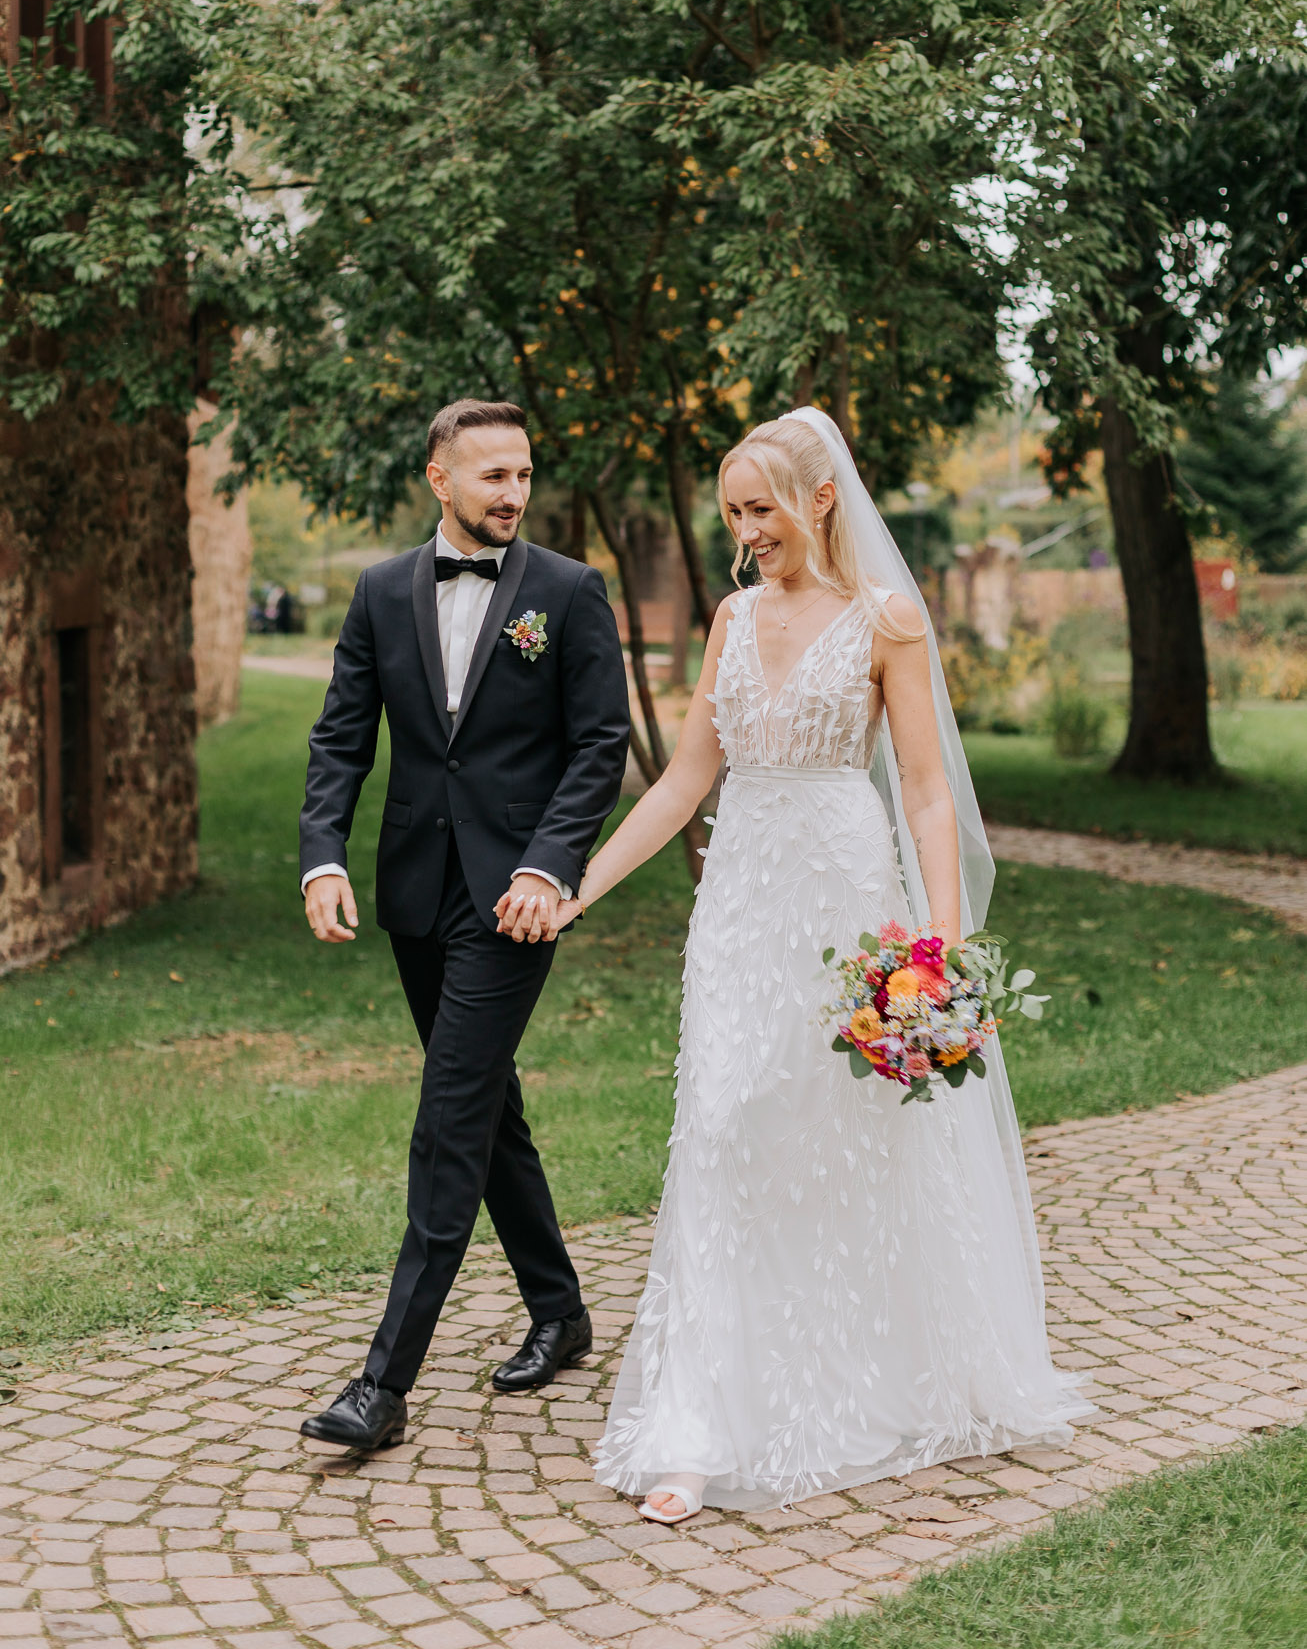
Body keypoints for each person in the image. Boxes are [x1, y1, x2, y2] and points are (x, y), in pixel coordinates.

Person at [548, 408, 1088, 1521]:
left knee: (844, 1138)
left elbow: (926, 791)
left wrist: (938, 947)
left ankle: (873, 1378)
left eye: (762, 509)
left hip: (848, 905)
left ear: (820, 498)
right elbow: (682, 781)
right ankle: (700, 1421)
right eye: (733, 513)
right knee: (725, 1124)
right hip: (740, 907)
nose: (747, 531)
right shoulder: (732, 617)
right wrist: (578, 888)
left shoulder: (887, 619)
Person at [297, 399, 630, 1452]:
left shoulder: (568, 592)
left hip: (515, 900)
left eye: (523, 473)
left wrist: (547, 864)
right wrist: (321, 856)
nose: (514, 492)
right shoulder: (380, 591)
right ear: (439, 478)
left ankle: (382, 1386)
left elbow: (600, 745)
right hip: (415, 891)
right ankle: (561, 1312)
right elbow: (342, 735)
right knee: (486, 1106)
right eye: (493, 475)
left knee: (448, 1115)